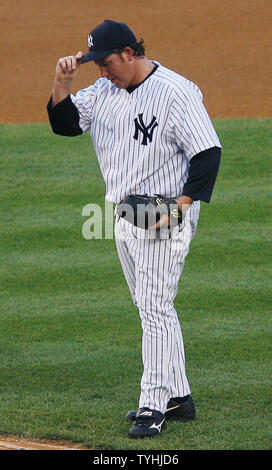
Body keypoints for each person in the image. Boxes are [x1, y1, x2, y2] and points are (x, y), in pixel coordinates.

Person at [47, 19, 222, 439]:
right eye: (96, 65)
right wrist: (61, 83)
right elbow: (65, 123)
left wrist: (179, 209)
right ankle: (179, 398)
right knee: (152, 307)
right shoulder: (104, 91)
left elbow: (207, 152)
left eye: (106, 62)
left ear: (130, 53)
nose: (102, 72)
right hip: (126, 214)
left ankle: (153, 405)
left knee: (156, 308)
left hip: (164, 213)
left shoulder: (176, 92)